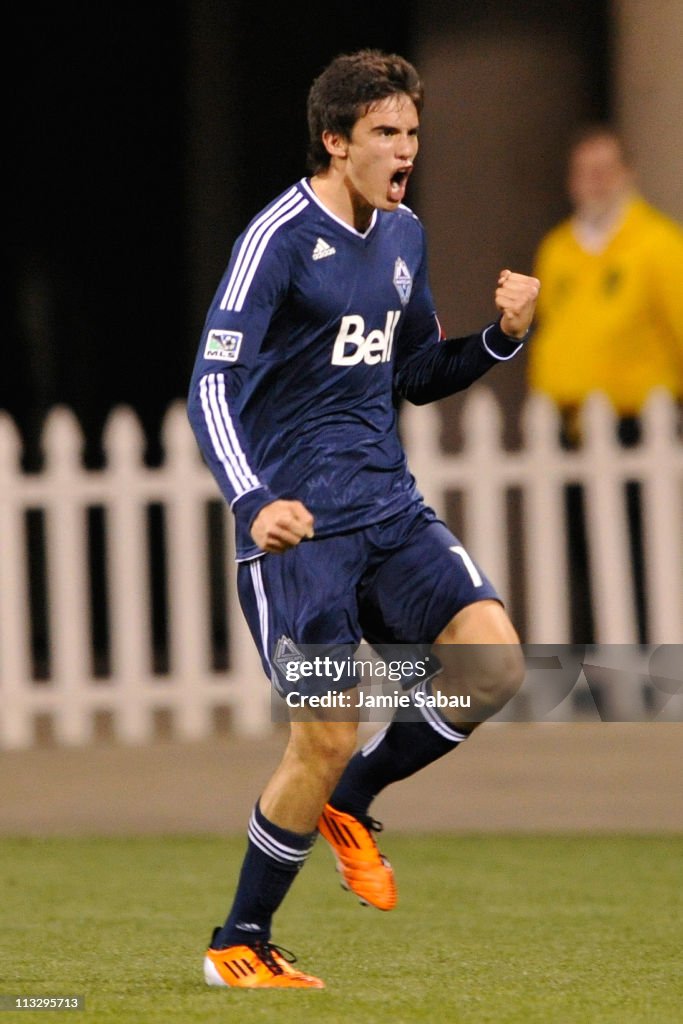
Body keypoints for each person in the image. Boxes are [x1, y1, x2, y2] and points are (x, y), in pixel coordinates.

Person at [187, 49, 539, 990]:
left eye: (412, 132)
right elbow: (209, 381)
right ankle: (239, 942)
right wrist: (253, 500)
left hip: (388, 509)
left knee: (494, 661)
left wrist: (500, 339)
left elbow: (414, 375)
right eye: (386, 133)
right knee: (325, 731)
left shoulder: (403, 234)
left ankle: (356, 799)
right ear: (335, 142)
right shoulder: (277, 238)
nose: (405, 149)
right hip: (301, 535)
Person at [528, 126, 683, 641]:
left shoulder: (658, 244)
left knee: (644, 552)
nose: (594, 182)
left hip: (637, 423)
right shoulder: (557, 251)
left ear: (627, 176)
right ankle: (600, 665)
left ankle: (648, 663)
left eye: (604, 170)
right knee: (582, 552)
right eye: (583, 172)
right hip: (571, 429)